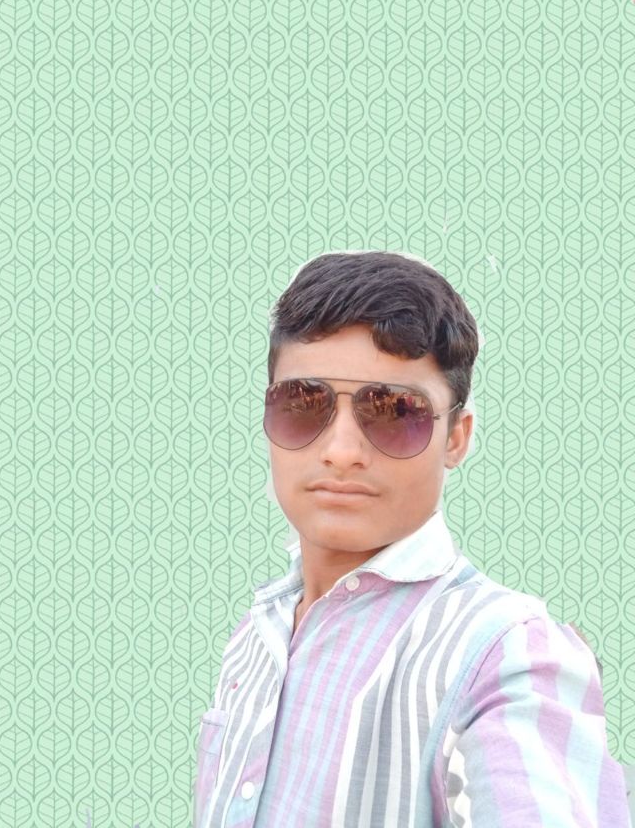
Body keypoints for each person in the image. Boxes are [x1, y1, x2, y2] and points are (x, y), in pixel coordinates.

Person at [194, 251, 631, 827]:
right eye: (303, 403)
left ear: (457, 437)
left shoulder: (501, 654)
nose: (341, 451)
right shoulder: (258, 632)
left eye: (395, 411)